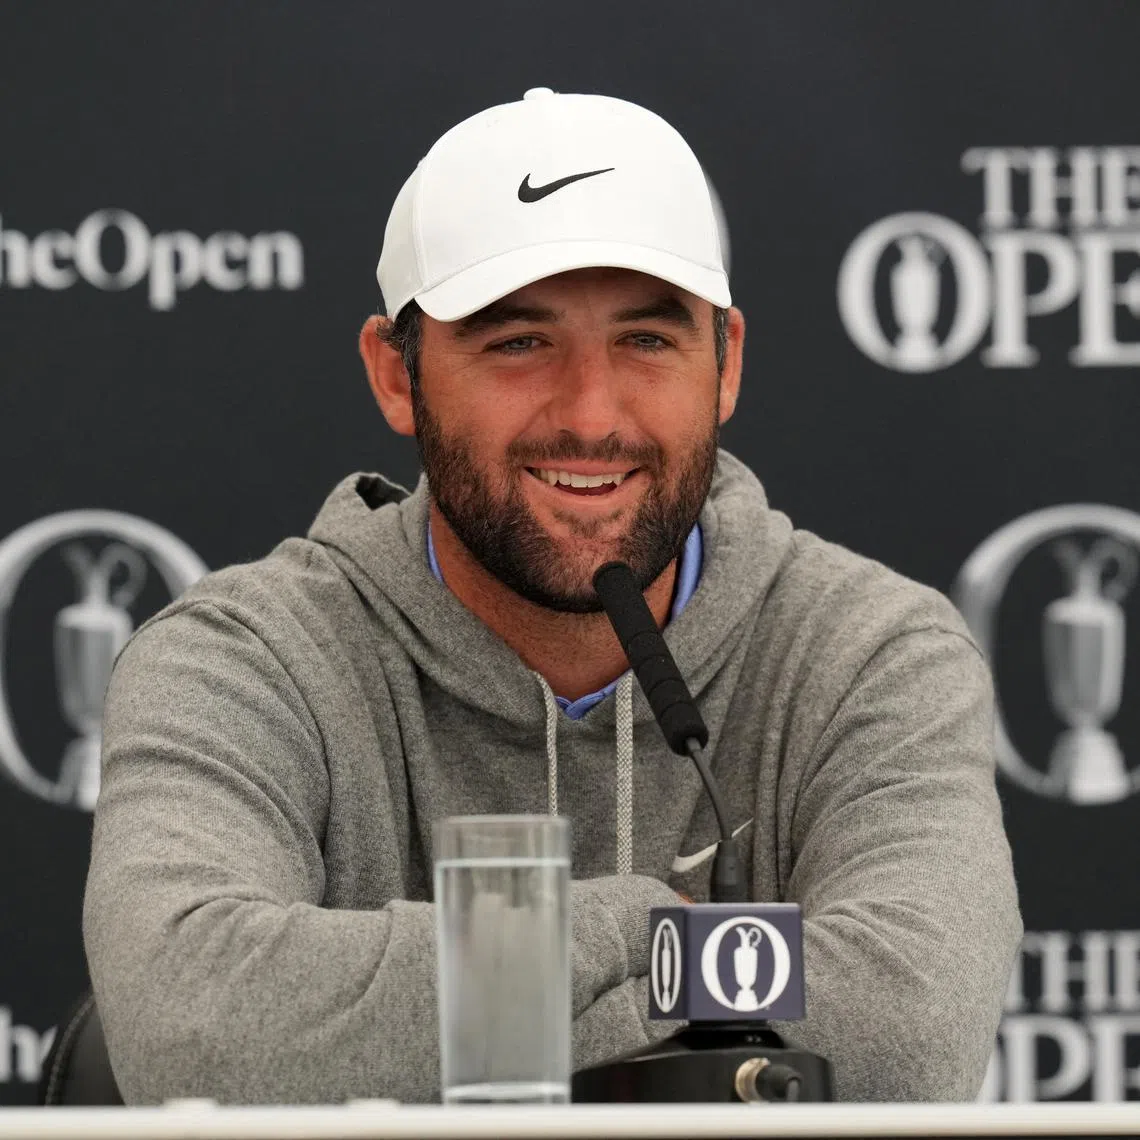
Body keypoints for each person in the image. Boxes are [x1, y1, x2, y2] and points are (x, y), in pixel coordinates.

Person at [83, 88, 1020, 1105]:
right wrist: (635, 931)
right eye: (518, 342)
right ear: (397, 378)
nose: (590, 414)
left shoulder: (872, 653)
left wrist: (403, 1035)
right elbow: (196, 1026)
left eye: (648, 341)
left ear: (726, 366)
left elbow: (911, 1030)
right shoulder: (238, 660)